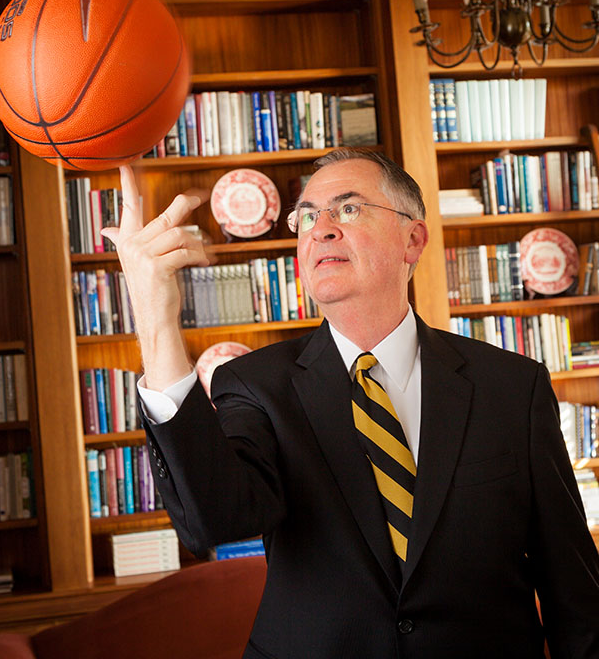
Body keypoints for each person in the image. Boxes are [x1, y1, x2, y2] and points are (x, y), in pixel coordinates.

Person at [101, 147, 599, 659]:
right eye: (308, 216)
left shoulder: (514, 388)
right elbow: (214, 520)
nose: (321, 228)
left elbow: (574, 590)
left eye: (349, 208)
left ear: (413, 239)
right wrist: (156, 320)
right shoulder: (254, 385)